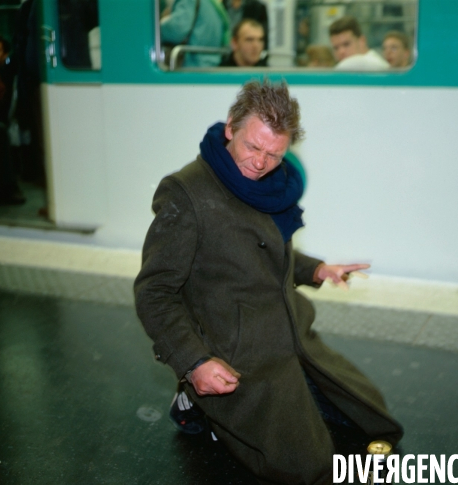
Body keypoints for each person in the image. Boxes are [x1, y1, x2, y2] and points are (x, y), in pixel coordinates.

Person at [134, 79, 403, 484]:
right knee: (307, 467)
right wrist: (195, 362)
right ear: (230, 128)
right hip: (235, 349)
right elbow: (154, 292)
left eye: (274, 154)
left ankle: (206, 400)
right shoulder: (186, 193)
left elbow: (265, 252)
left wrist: (316, 270)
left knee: (369, 415)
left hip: (288, 330)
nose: (260, 163)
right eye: (252, 147)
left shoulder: (274, 188)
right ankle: (193, 398)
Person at [0, 34, 25, 206]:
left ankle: (6, 188)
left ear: (5, 55)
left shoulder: (6, 74)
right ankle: (7, 188)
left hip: (0, 120)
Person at [160, 0, 230, 68]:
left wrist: (155, 29)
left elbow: (178, 29)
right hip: (211, 65)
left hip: (190, 64)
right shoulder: (214, 5)